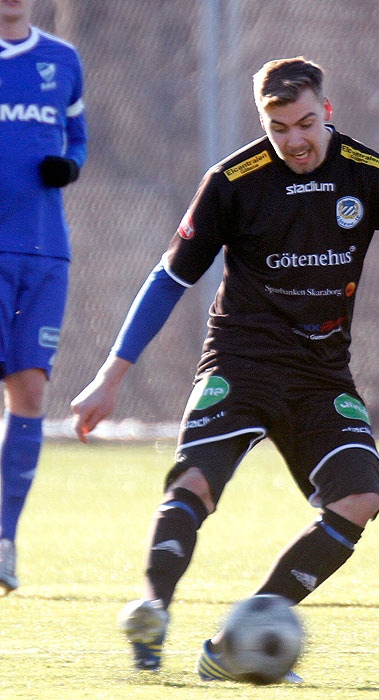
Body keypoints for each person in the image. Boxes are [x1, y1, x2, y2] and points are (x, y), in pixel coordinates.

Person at [70, 56, 379, 680]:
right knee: (195, 484)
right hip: (240, 362)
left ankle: (239, 643)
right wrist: (110, 376)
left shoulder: (371, 175)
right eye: (280, 129)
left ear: (326, 111)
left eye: (306, 123)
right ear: (264, 123)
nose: (295, 140)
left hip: (321, 377)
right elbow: (170, 278)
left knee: (359, 499)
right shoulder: (232, 180)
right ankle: (153, 609)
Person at [0, 0, 87, 595]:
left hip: (46, 251)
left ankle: (5, 541)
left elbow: (78, 136)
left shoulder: (63, 59)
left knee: (30, 389)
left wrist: (69, 164)